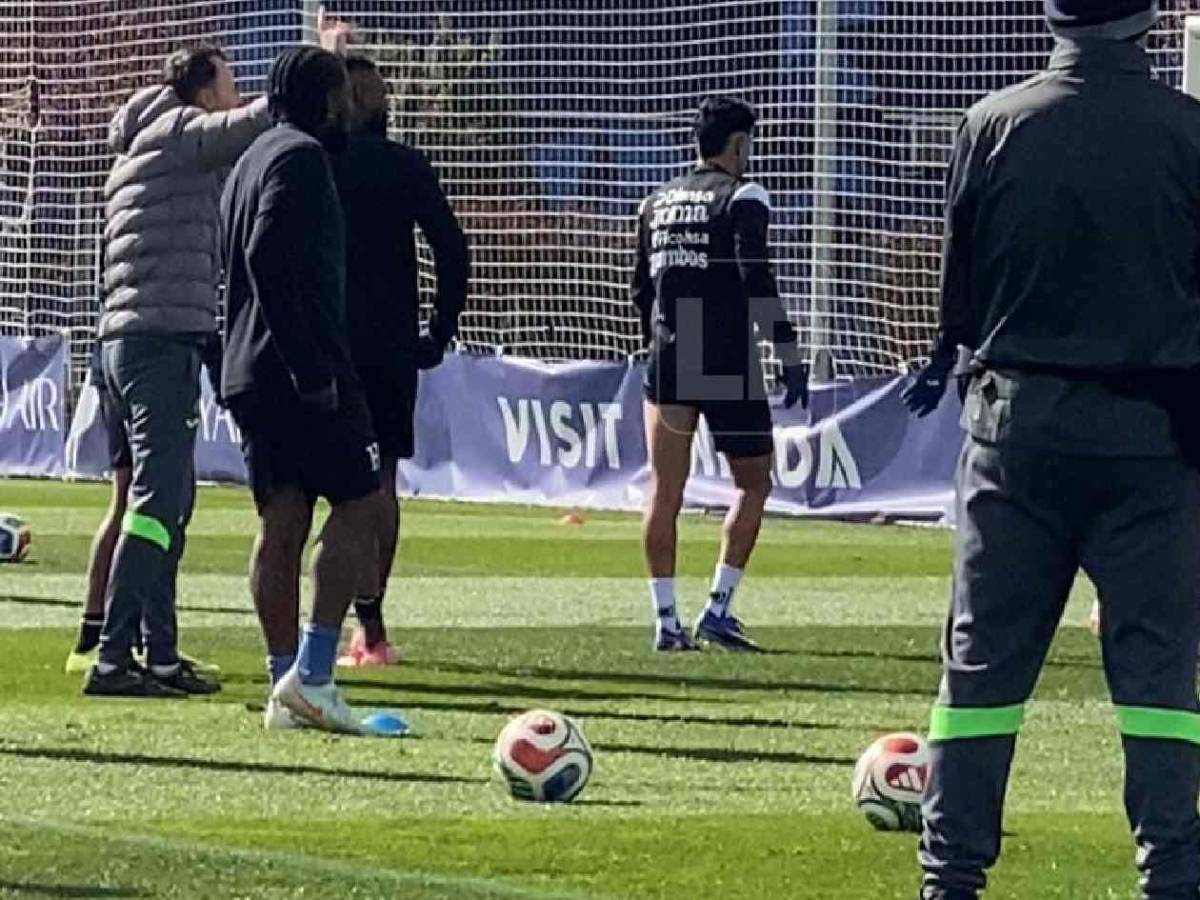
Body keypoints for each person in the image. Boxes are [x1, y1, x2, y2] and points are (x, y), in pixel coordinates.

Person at [903, 3, 1200, 897]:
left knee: (982, 670)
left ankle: (950, 875)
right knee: (1157, 677)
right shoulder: (1189, 134)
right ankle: (1174, 873)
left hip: (1016, 432)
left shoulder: (990, 125)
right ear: (1148, 22)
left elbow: (959, 300)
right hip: (1156, 440)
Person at [84, 46, 272, 698]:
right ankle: (113, 657)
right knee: (158, 502)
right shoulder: (181, 134)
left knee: (168, 502)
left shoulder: (139, 145)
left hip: (131, 340)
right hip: (157, 342)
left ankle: (160, 654)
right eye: (229, 81)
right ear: (203, 89)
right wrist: (305, 73)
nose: (235, 91)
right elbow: (246, 127)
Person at [221, 46, 384, 733]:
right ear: (324, 100)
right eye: (343, 94)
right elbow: (265, 256)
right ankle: (314, 674)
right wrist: (308, 366)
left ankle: (283, 682)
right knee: (360, 505)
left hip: (249, 372)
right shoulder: (300, 157)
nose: (352, 106)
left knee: (281, 522)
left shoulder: (246, 162)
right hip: (300, 371)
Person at [630, 96, 808, 654]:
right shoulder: (745, 196)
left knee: (665, 490)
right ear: (738, 145)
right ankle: (718, 608)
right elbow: (756, 276)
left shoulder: (655, 202)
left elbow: (640, 288)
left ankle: (665, 621)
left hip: (669, 351)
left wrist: (654, 340)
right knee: (753, 483)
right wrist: (787, 350)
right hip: (724, 351)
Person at [331, 54, 469, 667]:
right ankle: (373, 625)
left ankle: (315, 631)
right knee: (382, 479)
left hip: (326, 342)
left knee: (312, 489)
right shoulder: (406, 166)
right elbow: (453, 251)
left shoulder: (317, 161)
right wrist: (436, 331)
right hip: (389, 345)